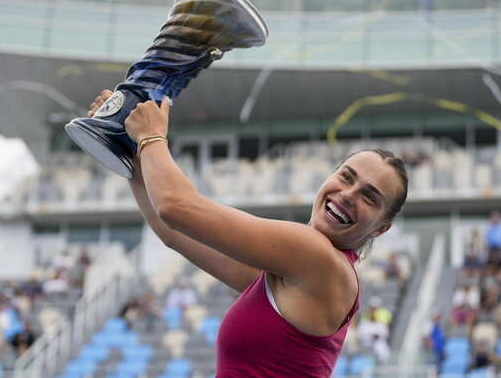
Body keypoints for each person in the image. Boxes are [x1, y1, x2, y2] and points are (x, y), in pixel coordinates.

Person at [88, 90, 409, 376]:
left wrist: (151, 137)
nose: (348, 194)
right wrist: (130, 148)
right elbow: (172, 231)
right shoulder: (294, 275)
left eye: (369, 196)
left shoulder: (315, 254)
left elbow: (176, 206)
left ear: (381, 228)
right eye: (346, 176)